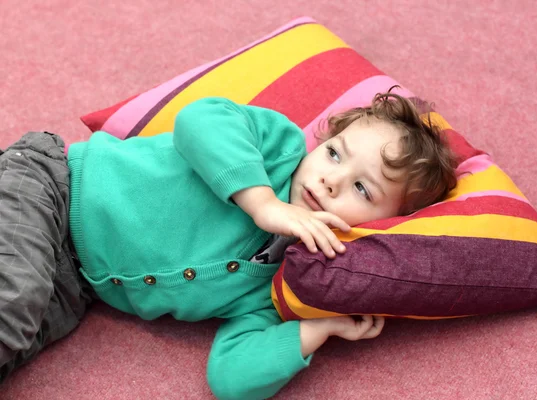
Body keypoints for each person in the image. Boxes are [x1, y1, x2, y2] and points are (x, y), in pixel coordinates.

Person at [0, 87, 457, 399]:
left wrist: (319, 330)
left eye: (363, 190)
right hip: (52, 187)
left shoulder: (283, 288)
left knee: (17, 345)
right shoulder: (276, 149)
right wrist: (262, 203)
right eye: (335, 153)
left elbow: (230, 378)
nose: (332, 180)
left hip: (77, 285)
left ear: (386, 227)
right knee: (14, 307)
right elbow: (199, 118)